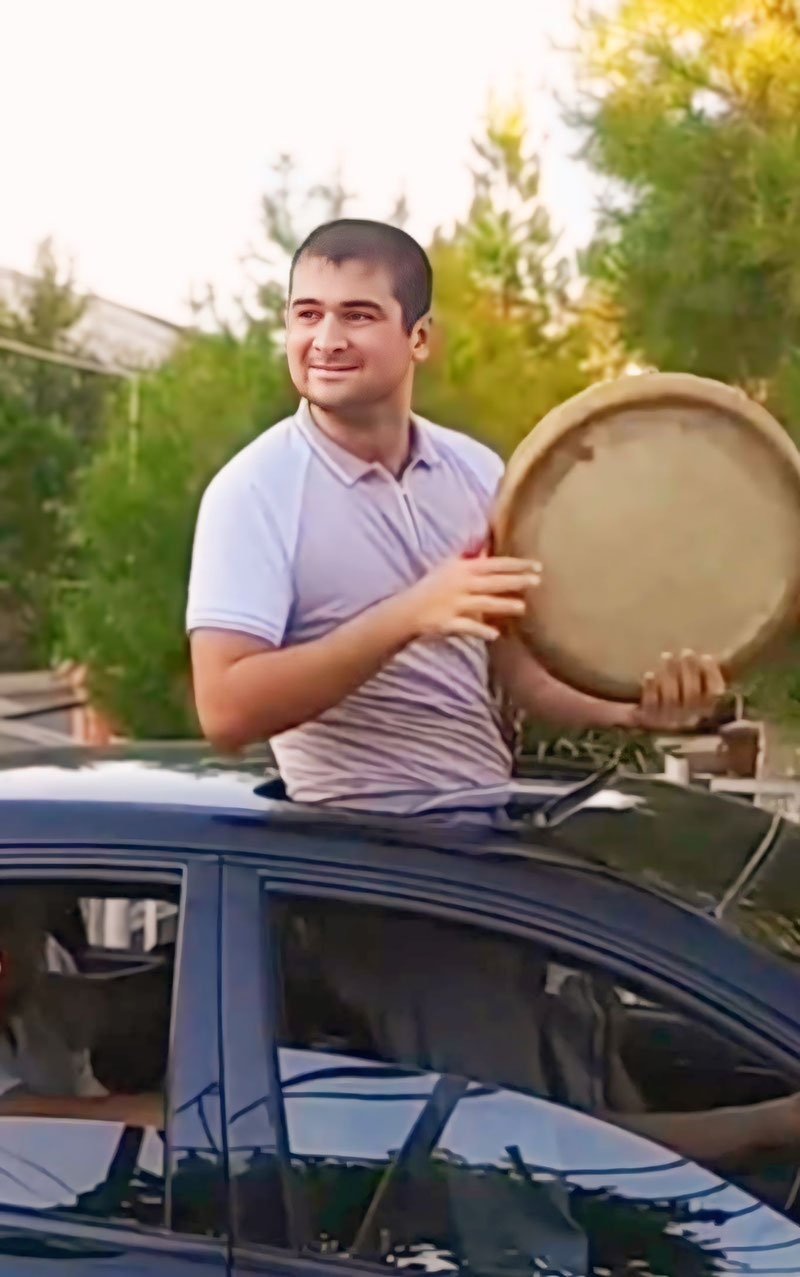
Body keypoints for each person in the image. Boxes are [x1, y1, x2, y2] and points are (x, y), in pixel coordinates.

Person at [186, 219, 725, 819]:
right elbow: (226, 712)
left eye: (358, 315)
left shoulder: (477, 472)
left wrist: (632, 709)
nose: (326, 339)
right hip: (347, 865)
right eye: (307, 314)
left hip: (477, 845)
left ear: (418, 337)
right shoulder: (253, 491)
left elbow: (516, 669)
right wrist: (410, 614)